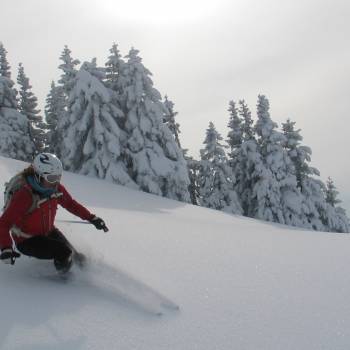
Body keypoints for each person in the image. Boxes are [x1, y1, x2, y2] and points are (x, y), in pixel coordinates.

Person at [0, 153, 108, 273]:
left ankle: (86, 277)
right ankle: (65, 284)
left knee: (77, 257)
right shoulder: (25, 195)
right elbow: (4, 224)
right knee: (64, 253)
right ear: (38, 176)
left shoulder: (54, 188)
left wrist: (92, 218)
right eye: (51, 178)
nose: (55, 182)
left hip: (48, 232)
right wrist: (6, 248)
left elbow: (70, 204)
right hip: (27, 240)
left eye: (58, 177)